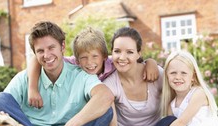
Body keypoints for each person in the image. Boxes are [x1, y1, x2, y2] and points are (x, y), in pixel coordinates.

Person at [0, 21, 115, 126]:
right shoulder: (25, 79)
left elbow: (106, 96)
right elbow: (1, 104)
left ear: (62, 47)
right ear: (34, 54)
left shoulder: (80, 75)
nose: (46, 55)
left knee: (105, 111)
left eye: (51, 48)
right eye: (40, 51)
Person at [87, 27, 188, 126]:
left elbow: (177, 99)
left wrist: (151, 62)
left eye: (129, 52)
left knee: (170, 121)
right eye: (117, 51)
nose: (122, 57)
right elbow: (112, 121)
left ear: (138, 53)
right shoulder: (109, 84)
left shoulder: (156, 74)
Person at [27, 27, 159, 109]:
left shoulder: (113, 62)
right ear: (78, 59)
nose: (90, 63)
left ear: (104, 56)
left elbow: (134, 59)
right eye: (84, 57)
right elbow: (37, 59)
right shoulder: (75, 63)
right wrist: (32, 89)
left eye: (95, 56)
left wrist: (151, 63)